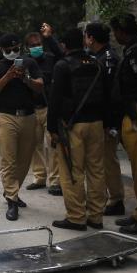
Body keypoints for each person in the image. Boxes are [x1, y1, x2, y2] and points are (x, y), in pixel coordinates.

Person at [47, 27, 107, 231]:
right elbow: (106, 93)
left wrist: (52, 127)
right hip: (97, 123)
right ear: (82, 42)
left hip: (73, 126)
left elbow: (54, 99)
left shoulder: (63, 66)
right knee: (97, 170)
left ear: (64, 45)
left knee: (73, 171)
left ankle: (76, 216)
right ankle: (96, 216)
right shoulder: (96, 63)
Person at [0, 34, 44, 221]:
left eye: (15, 49)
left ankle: (11, 191)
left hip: (28, 115)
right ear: (2, 50)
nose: (13, 53)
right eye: (8, 50)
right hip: (6, 116)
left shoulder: (30, 63)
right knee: (8, 160)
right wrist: (7, 77)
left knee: (24, 160)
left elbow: (40, 86)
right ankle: (12, 199)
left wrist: (26, 79)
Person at [110, 14, 137, 235]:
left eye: (116, 32)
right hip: (131, 113)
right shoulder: (133, 49)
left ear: (122, 32)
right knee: (136, 166)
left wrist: (134, 114)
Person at [85, 22, 126, 217]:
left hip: (107, 119)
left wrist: (110, 123)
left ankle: (116, 200)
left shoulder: (108, 59)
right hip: (100, 118)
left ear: (91, 38)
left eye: (86, 36)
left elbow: (111, 95)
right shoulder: (98, 57)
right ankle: (103, 199)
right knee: (99, 161)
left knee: (107, 161)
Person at [24, 30, 62, 195]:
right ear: (27, 48)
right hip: (32, 109)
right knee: (34, 144)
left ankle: (55, 181)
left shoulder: (51, 59)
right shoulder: (25, 63)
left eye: (38, 44)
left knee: (52, 145)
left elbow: (61, 54)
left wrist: (50, 37)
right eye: (32, 46)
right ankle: (39, 177)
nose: (36, 47)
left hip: (49, 108)